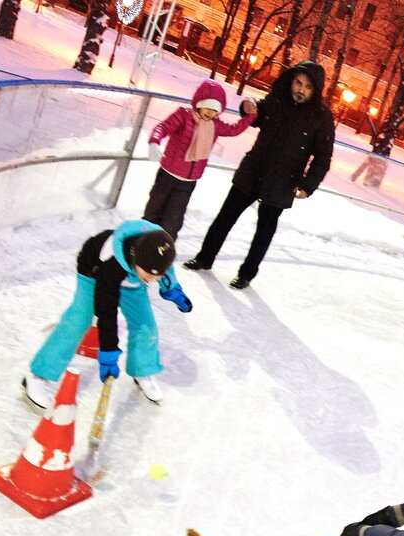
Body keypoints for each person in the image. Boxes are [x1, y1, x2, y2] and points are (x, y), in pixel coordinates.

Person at [184, 61, 335, 290]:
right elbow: (256, 113)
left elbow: (323, 157)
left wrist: (308, 185)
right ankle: (205, 258)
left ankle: (246, 275)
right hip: (254, 170)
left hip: (283, 181)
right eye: (298, 82)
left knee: (264, 231)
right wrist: (248, 105)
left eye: (307, 86)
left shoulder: (321, 118)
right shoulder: (278, 100)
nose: (300, 90)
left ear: (316, 90)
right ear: (292, 80)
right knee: (226, 216)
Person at [22, 219, 191, 408]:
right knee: (80, 318)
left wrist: (172, 290)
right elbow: (107, 312)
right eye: (150, 275)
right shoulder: (112, 264)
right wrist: (108, 352)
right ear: (136, 258)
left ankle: (142, 369)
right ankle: (38, 375)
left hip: (133, 279)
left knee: (145, 324)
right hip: (95, 271)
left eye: (157, 275)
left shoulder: (159, 249)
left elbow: (164, 269)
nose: (153, 280)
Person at [143, 81, 257, 242]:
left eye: (215, 110)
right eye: (207, 107)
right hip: (167, 176)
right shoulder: (184, 115)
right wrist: (154, 141)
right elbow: (163, 127)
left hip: (188, 182)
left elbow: (234, 130)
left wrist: (251, 116)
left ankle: (162, 253)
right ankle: (140, 245)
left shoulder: (215, 125)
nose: (210, 113)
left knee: (172, 222)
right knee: (152, 213)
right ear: (198, 103)